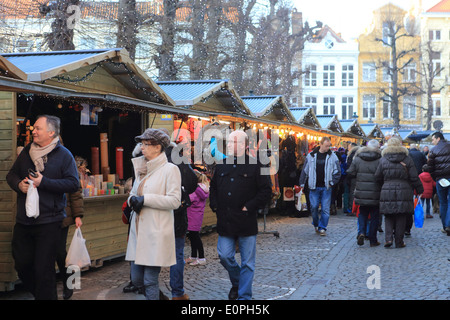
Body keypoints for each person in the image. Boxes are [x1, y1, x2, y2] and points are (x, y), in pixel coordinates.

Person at [6, 115, 79, 300]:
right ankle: (42, 293)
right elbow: (11, 175)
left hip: (50, 221)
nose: (33, 131)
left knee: (46, 268)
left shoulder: (64, 155)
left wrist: (43, 182)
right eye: (34, 128)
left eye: (38, 128)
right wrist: (18, 185)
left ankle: (68, 287)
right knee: (22, 264)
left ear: (51, 132)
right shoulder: (26, 152)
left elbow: (73, 184)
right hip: (24, 220)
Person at [209, 130, 272, 300]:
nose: (229, 145)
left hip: (246, 221)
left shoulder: (257, 165)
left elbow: (267, 191)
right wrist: (214, 205)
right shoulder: (221, 164)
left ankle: (244, 297)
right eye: (228, 142)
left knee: (248, 264)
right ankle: (237, 282)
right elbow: (213, 187)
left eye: (233, 142)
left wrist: (250, 207)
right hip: (225, 221)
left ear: (244, 145)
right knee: (224, 256)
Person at [125, 128, 181, 300]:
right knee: (137, 280)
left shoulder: (170, 170)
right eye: (141, 144)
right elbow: (132, 194)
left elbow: (174, 201)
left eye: (146, 144)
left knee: (150, 280)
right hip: (138, 233)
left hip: (156, 233)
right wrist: (132, 200)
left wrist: (146, 199)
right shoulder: (142, 168)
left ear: (158, 147)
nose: (142, 147)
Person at [163, 135, 198, 300]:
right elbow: (192, 182)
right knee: (177, 255)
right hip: (177, 213)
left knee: (152, 253)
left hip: (155, 213)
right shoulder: (178, 158)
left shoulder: (150, 158)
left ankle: (149, 288)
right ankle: (177, 293)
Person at [375, 137, 423, 248]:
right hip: (404, 188)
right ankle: (399, 241)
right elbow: (414, 176)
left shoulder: (383, 159)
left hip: (387, 188)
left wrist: (384, 184)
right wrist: (420, 189)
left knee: (388, 214)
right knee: (401, 215)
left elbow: (377, 176)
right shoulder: (407, 159)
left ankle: (388, 239)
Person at [299, 137, 341, 236]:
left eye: (329, 146)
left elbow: (337, 172)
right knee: (313, 207)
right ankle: (316, 224)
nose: (328, 148)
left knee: (325, 209)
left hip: (326, 187)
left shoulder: (333, 156)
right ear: (321, 144)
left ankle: (323, 228)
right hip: (313, 186)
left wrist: (332, 182)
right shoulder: (311, 155)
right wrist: (302, 183)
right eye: (326, 146)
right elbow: (305, 171)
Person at [346, 139, 382, 247]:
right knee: (375, 216)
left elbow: (350, 172)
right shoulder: (380, 159)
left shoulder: (358, 158)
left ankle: (361, 232)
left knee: (362, 213)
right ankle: (373, 239)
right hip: (375, 191)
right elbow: (382, 175)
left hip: (361, 190)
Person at [56, 187, 83, 300]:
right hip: (44, 216)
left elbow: (75, 192)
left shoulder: (69, 168)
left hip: (62, 215)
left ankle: (68, 282)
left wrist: (77, 215)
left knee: (60, 252)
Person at [427, 131, 450, 235]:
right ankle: (448, 224)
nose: (432, 141)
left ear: (438, 139)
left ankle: (445, 226)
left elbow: (430, 167)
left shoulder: (433, 150)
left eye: (433, 139)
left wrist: (435, 177)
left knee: (443, 202)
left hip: (440, 179)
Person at [186, 170, 210, 266]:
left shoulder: (195, 191)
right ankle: (193, 256)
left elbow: (189, 199)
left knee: (195, 237)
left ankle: (201, 257)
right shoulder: (201, 189)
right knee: (193, 236)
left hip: (193, 217)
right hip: (196, 216)